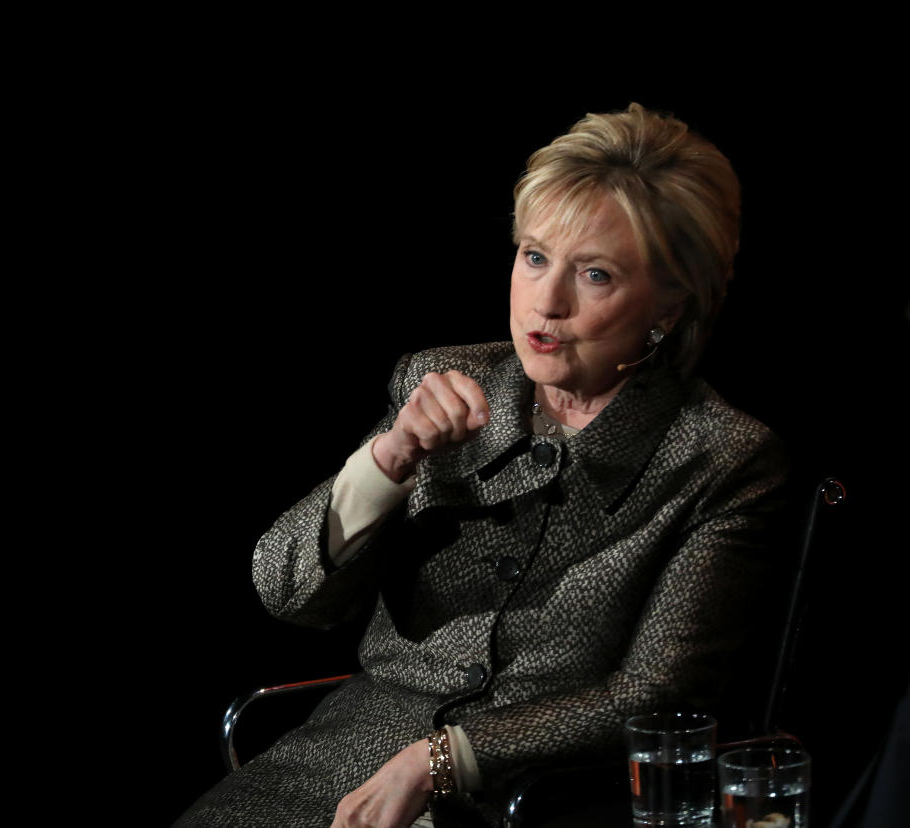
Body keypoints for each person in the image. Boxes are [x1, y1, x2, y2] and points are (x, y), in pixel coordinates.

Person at [174, 102, 787, 828]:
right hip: (341, 758)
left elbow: (657, 694)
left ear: (670, 304)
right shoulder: (438, 381)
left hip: (534, 794)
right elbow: (285, 592)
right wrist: (390, 457)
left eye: (594, 275)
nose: (546, 303)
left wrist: (444, 759)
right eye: (534, 257)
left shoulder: (721, 459)